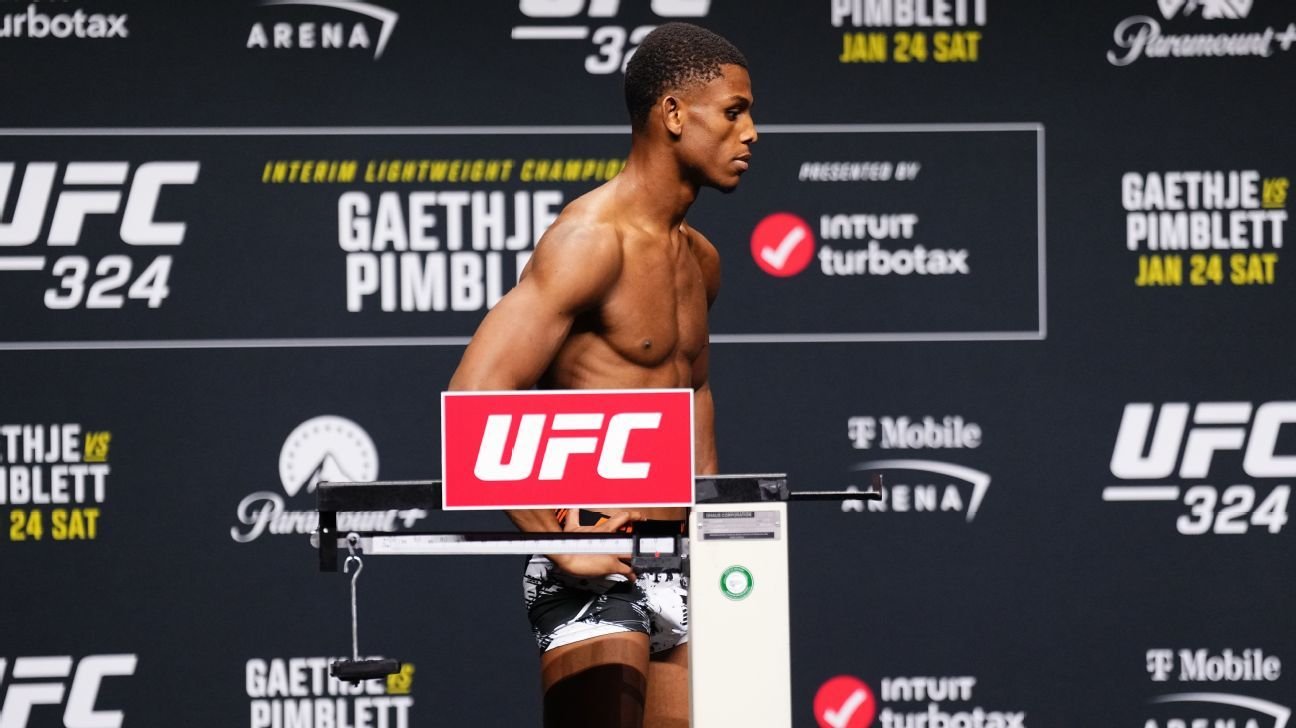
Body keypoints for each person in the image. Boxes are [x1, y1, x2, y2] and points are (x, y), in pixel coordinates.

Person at [448, 21, 756, 728]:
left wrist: (709, 540)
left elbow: (693, 397)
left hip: (676, 559)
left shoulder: (700, 260)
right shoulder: (590, 242)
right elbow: (473, 400)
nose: (751, 133)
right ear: (672, 113)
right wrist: (559, 542)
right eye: (733, 112)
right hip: (595, 559)